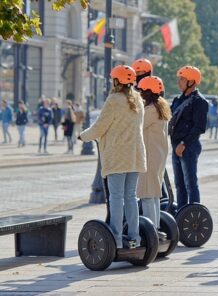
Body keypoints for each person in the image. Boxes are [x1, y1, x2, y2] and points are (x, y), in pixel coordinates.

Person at [78, 65, 146, 249]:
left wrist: (83, 136)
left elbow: (100, 126)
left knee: (116, 198)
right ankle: (134, 238)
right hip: (135, 155)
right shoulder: (138, 99)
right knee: (131, 197)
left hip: (118, 156)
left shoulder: (114, 99)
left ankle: (115, 239)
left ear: (117, 81)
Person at [168, 66, 208, 211]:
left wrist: (183, 144)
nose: (179, 82)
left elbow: (199, 127)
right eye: (179, 79)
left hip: (188, 147)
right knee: (179, 184)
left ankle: (194, 215)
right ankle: (182, 214)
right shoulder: (178, 100)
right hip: (176, 146)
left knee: (190, 183)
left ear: (191, 82)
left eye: (182, 79)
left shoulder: (199, 101)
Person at [136, 76, 171, 231]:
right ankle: (155, 228)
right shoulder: (161, 106)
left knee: (147, 196)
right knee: (154, 195)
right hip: (158, 156)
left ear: (148, 92)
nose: (139, 93)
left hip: (150, 157)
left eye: (141, 91)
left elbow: (136, 126)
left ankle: (152, 231)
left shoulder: (150, 110)